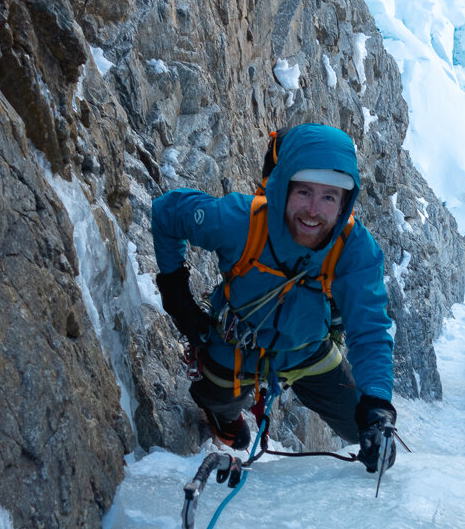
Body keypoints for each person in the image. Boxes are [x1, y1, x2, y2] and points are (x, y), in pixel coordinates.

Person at [151, 123, 397, 473]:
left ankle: (231, 414)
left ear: (345, 202)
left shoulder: (355, 250)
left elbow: (369, 329)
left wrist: (377, 406)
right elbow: (166, 212)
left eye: (329, 197)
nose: (314, 210)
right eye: (304, 192)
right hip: (236, 348)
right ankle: (225, 419)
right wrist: (175, 291)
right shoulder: (240, 221)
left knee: (363, 427)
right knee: (217, 400)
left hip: (308, 350)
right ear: (283, 188)